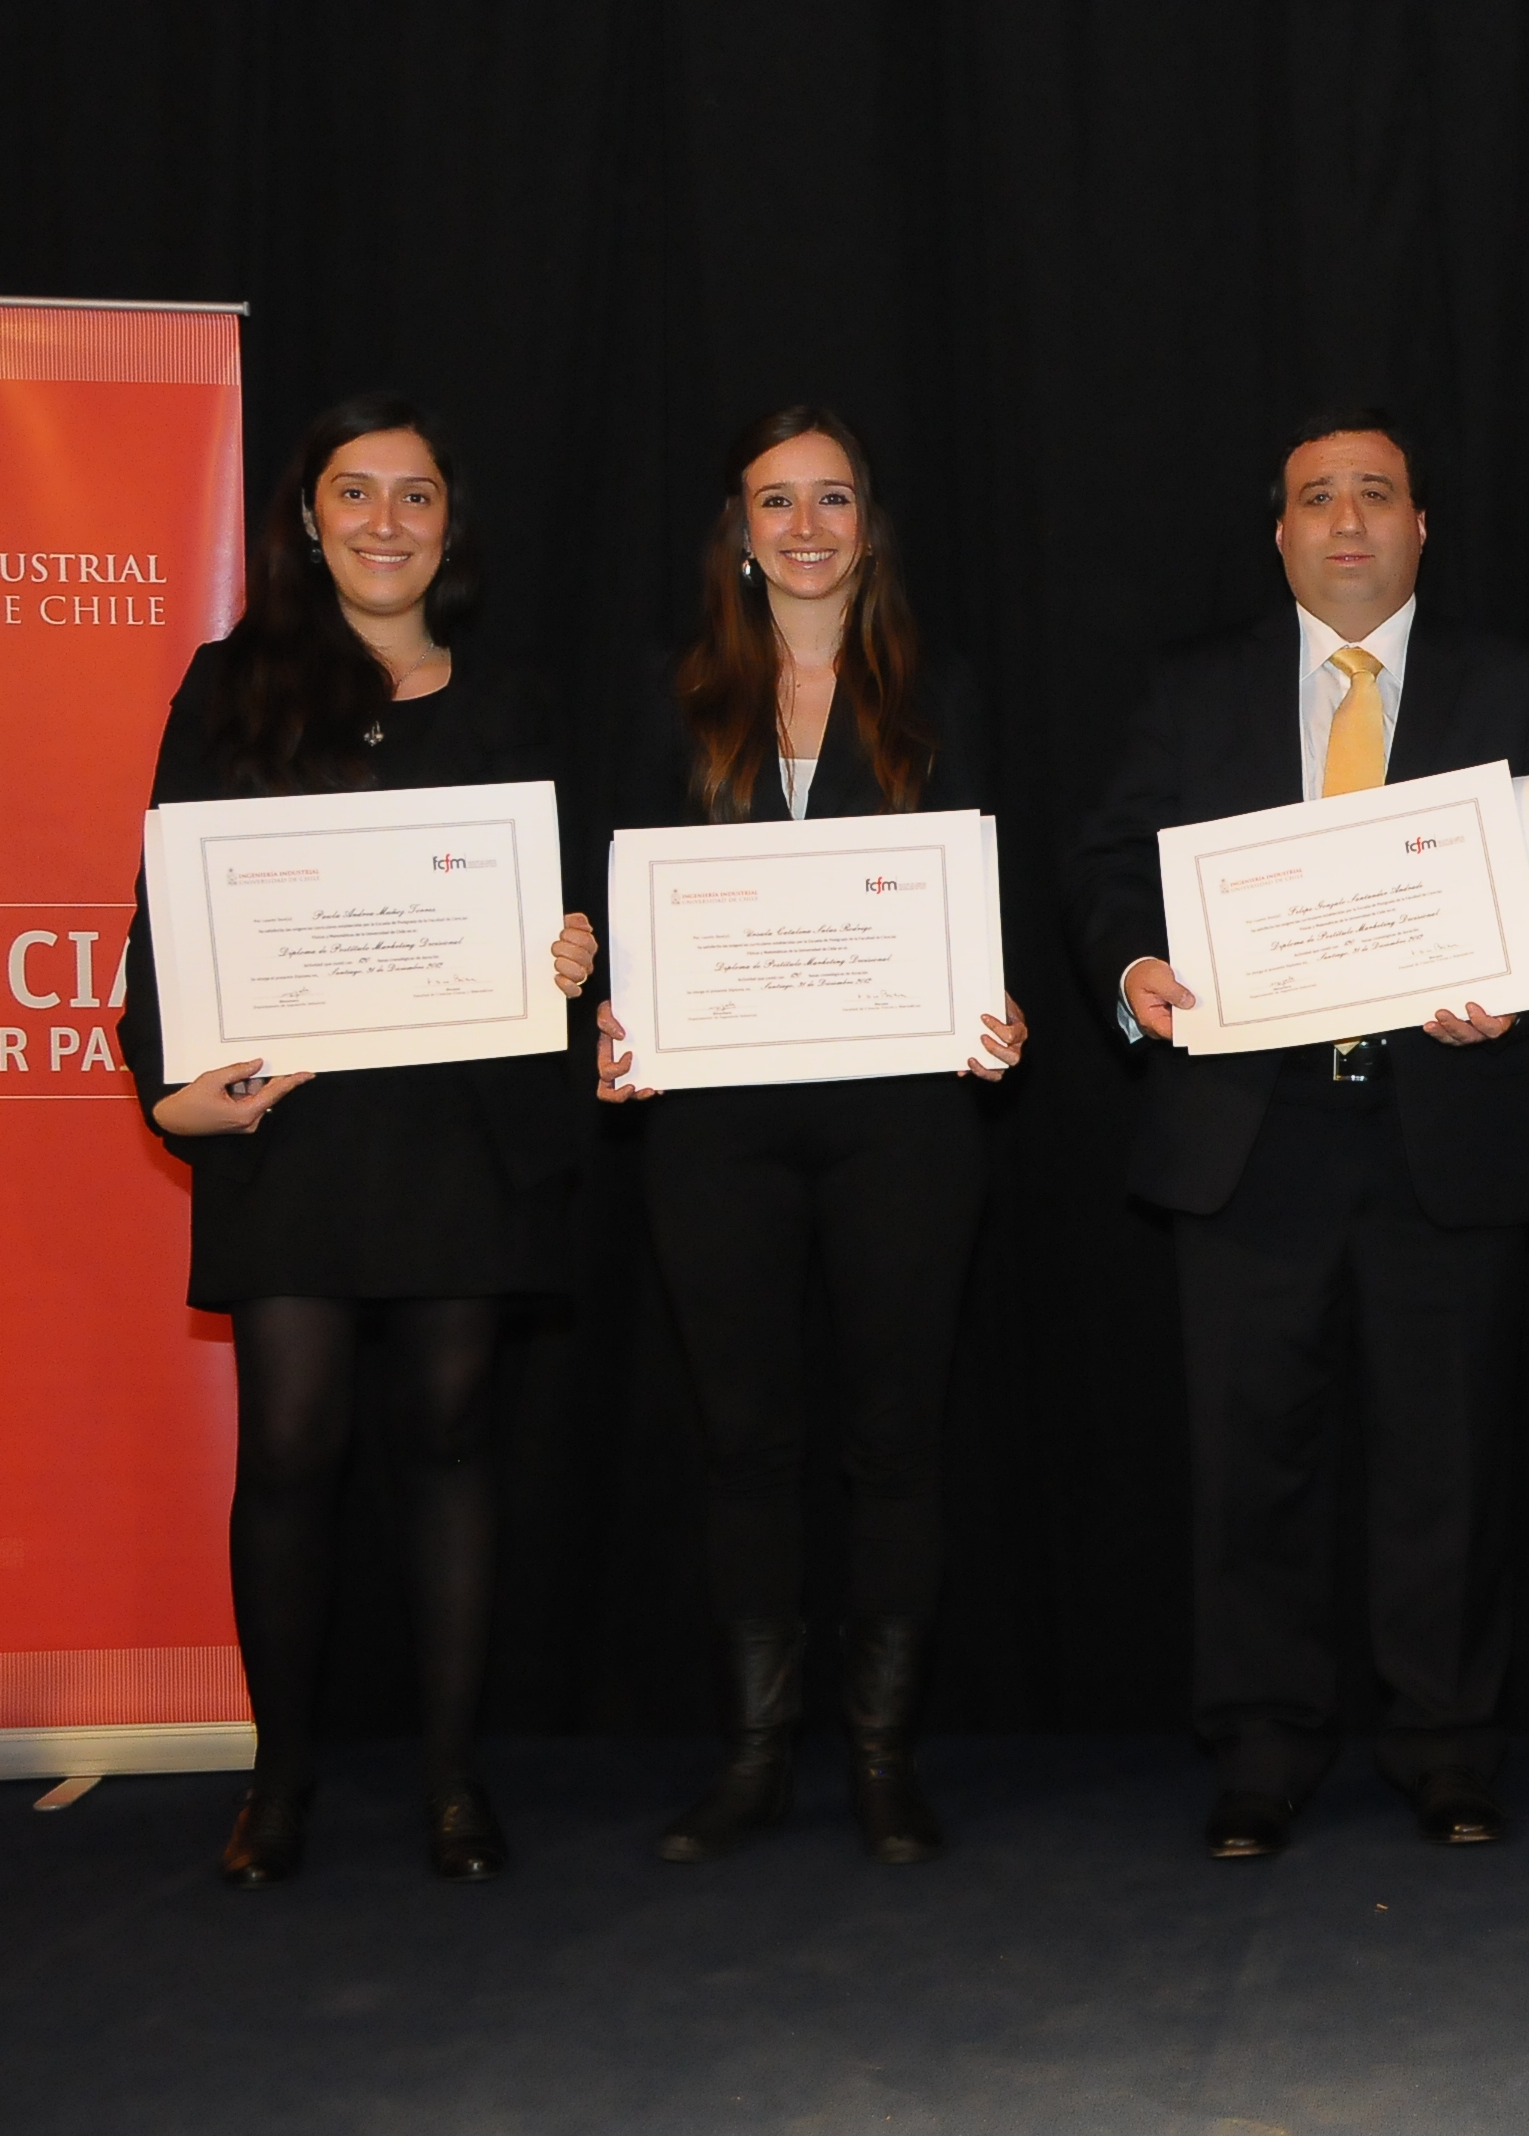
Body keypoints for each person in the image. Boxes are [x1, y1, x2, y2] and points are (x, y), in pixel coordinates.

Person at [1065, 410, 1529, 1859]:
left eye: (1375, 494)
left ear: (1423, 527)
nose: (1347, 520)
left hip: (1448, 1130)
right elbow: (1108, 865)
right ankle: (1261, 1746)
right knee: (1250, 1468)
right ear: (1280, 533)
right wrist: (1134, 970)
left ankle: (1448, 1745)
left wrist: (1521, 987)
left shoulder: (1518, 686)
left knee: (1450, 1465)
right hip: (1249, 1132)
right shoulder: (1192, 689)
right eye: (1317, 497)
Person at [118, 394, 598, 1888]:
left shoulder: (515, 700)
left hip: (461, 1128)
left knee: (452, 1433)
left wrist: (576, 951)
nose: (386, 521)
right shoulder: (232, 685)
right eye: (355, 491)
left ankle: (454, 1781)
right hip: (294, 1124)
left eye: (416, 494)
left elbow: (568, 906)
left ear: (452, 526)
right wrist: (166, 1087)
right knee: (292, 1440)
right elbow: (164, 906)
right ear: (308, 518)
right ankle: (281, 1783)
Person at [594, 406, 1024, 1867]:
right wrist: (619, 1014)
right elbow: (625, 897)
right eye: (774, 501)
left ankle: (882, 1760)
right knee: (746, 1442)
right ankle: (757, 1758)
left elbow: (981, 894)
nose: (804, 526)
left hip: (904, 1121)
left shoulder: (942, 694)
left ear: (868, 525)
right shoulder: (672, 697)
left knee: (896, 1439)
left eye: (832, 497)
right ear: (738, 531)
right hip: (713, 1128)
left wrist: (997, 1005)